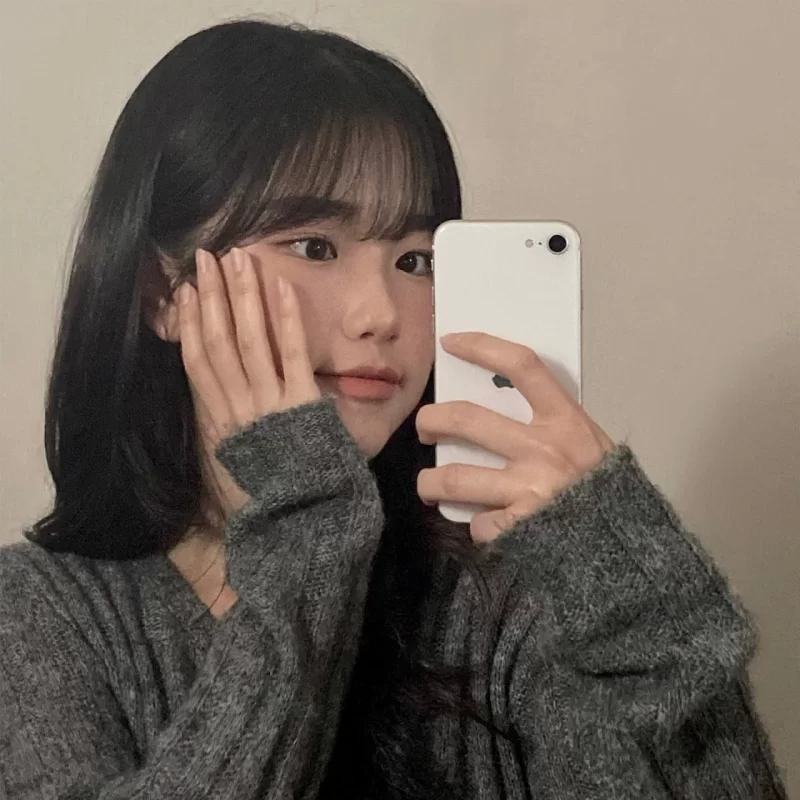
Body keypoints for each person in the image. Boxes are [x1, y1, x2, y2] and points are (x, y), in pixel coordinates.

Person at [0, 18, 787, 800]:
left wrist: (628, 589)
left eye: (416, 259)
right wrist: (304, 526)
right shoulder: (40, 613)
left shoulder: (503, 602)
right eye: (314, 246)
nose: (380, 314)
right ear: (161, 292)